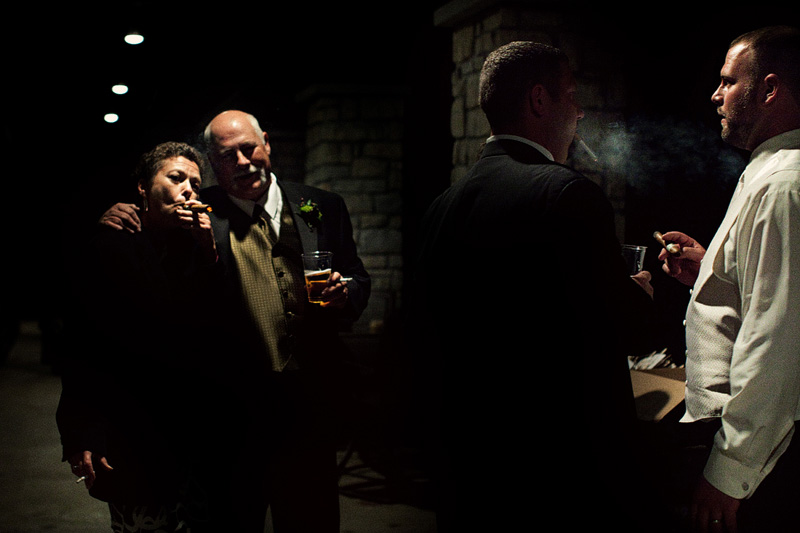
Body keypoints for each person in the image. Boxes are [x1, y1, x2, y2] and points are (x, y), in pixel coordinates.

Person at [410, 41, 659, 532]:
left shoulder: (442, 206)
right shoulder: (567, 194)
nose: (580, 112)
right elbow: (621, 328)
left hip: (468, 465)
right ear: (540, 100)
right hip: (557, 473)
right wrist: (639, 294)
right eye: (572, 96)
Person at [101, 110, 371, 532]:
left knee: (311, 521)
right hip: (231, 415)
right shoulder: (198, 210)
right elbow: (159, 242)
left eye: (249, 148)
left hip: (309, 408)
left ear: (266, 143)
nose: (243, 161)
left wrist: (346, 293)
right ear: (213, 162)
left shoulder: (321, 205)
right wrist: (123, 213)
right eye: (228, 156)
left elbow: (357, 275)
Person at [658, 26, 800, 532]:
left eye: (728, 82)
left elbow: (777, 342)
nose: (716, 96)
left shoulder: (783, 185)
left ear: (769, 89)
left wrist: (729, 469)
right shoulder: (770, 172)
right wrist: (710, 273)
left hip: (765, 465)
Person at [57, 142, 222, 532]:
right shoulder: (111, 243)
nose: (188, 190)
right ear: (143, 187)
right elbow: (83, 346)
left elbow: (216, 331)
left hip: (197, 431)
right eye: (176, 178)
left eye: (196, 185)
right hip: (132, 428)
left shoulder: (199, 249)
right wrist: (81, 432)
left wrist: (209, 251)